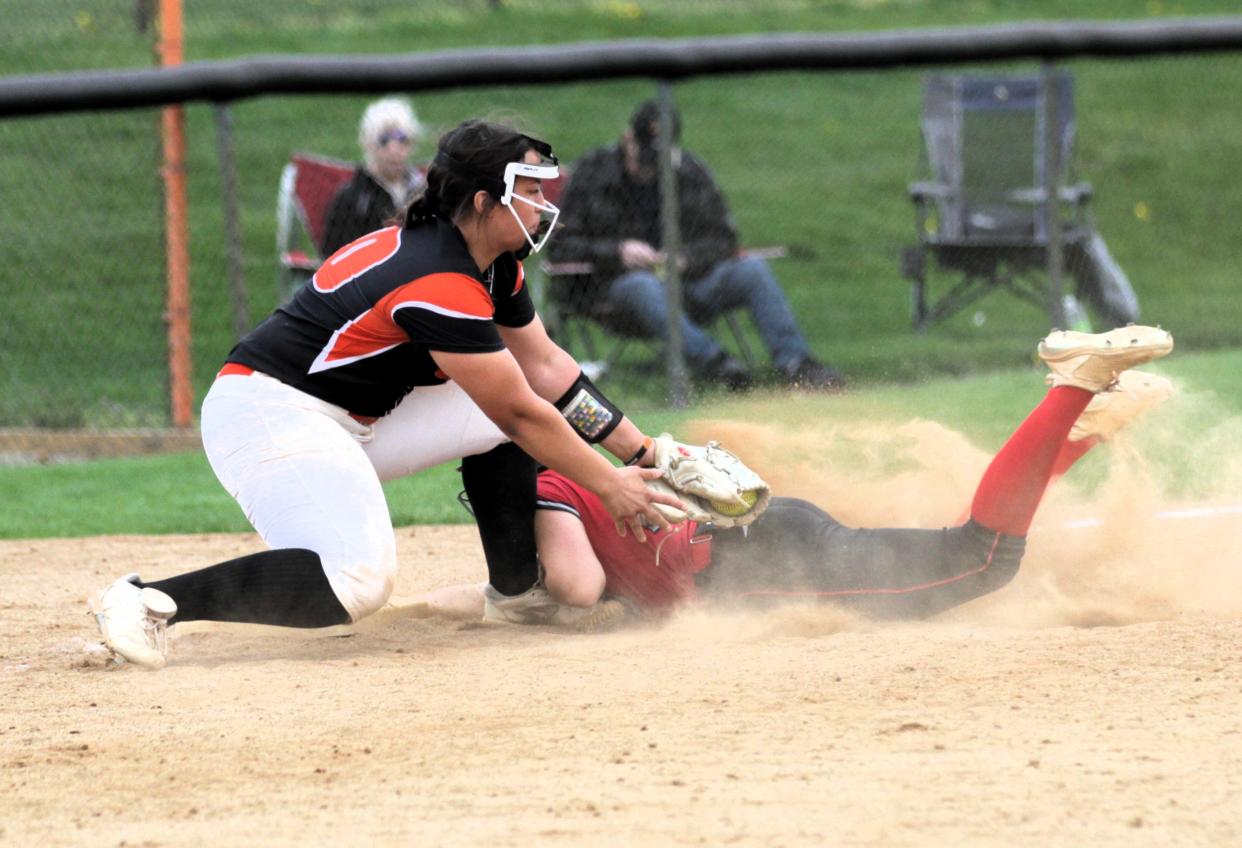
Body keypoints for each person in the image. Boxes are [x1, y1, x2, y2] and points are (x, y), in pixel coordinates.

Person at [90, 119, 684, 669]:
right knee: (357, 580)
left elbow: (548, 368)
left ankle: (518, 595)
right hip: (267, 412)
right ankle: (147, 601)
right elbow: (524, 413)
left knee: (513, 406)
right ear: (482, 202)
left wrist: (644, 453)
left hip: (350, 415)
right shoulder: (438, 277)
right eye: (528, 189)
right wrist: (610, 485)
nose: (543, 203)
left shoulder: (491, 262)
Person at [411, 326, 1173, 624]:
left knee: (980, 557)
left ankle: (1072, 387)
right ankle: (1073, 434)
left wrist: (534, 607)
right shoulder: (569, 484)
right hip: (774, 535)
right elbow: (498, 598)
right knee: (979, 556)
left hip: (762, 564)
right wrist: (440, 606)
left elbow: (570, 587)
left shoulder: (546, 490)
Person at [547, 99, 842, 391]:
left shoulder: (689, 172)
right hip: (614, 290)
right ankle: (717, 365)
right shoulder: (592, 173)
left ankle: (796, 365)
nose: (652, 170)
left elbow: (723, 238)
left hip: (688, 282)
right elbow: (559, 244)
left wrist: (684, 258)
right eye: (645, 160)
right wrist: (619, 251)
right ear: (628, 140)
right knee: (642, 285)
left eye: (659, 162)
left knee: (752, 270)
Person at [320, 96, 429, 258]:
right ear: (368, 145)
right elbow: (333, 253)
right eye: (384, 140)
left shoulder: (424, 191)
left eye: (402, 139)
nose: (394, 149)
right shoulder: (352, 198)